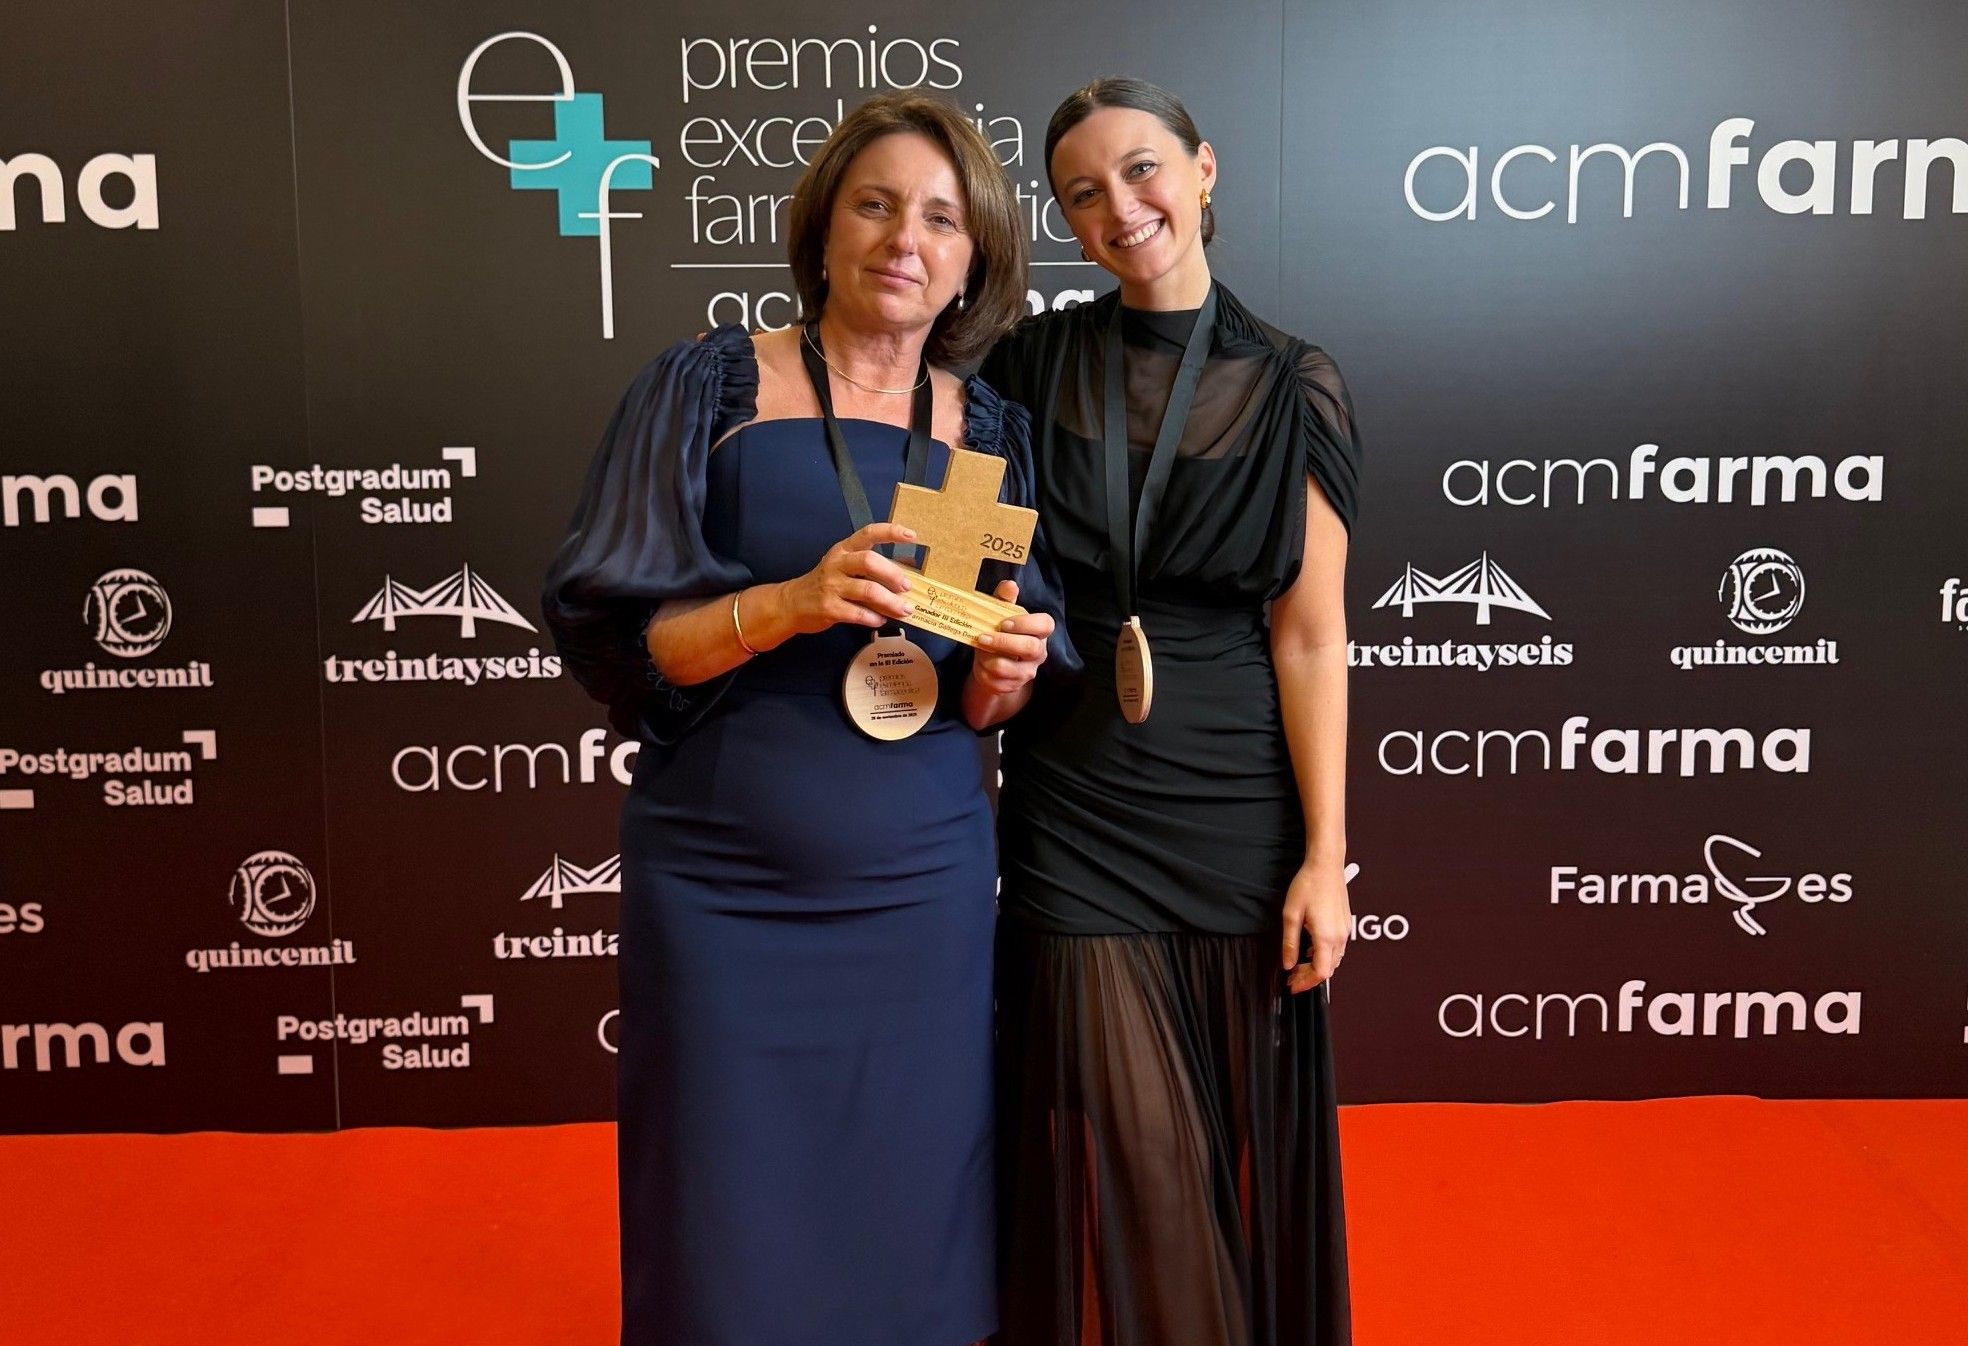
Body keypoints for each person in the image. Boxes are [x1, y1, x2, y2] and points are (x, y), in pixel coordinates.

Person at [541, 93, 1070, 1346]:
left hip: (922, 883)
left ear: (974, 260)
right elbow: (625, 641)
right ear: (824, 228)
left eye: (940, 219)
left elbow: (975, 684)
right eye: (876, 205)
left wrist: (1008, 667)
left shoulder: (985, 434)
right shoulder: (710, 383)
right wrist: (786, 601)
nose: (905, 239)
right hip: (725, 878)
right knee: (724, 1208)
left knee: (915, 1187)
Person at [982, 77, 1362, 1346]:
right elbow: (967, 564)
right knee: (1140, 1151)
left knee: (1230, 1137)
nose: (1120, 207)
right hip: (1074, 801)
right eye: (1082, 193)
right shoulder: (1029, 365)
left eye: (1142, 169)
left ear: (1203, 169)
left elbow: (1310, 634)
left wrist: (1324, 857)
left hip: (1236, 806)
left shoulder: (1298, 384)